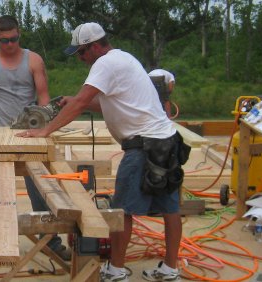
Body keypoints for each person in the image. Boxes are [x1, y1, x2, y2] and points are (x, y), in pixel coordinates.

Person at [19, 22, 187, 281]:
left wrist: (45, 131)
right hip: (166, 142)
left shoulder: (105, 64)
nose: (81, 59)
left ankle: (116, 270)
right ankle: (170, 269)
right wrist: (72, 100)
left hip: (143, 147)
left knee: (122, 212)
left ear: (95, 46)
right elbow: (105, 103)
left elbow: (84, 100)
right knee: (170, 208)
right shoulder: (124, 58)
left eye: (82, 53)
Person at [0, 15, 72, 261]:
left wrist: (44, 124)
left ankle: (49, 239)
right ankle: (2, 239)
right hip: (2, 132)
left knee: (40, 187)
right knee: (3, 190)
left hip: (30, 131)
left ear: (19, 34)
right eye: (5, 40)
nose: (10, 44)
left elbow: (43, 96)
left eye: (14, 39)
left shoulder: (33, 60)